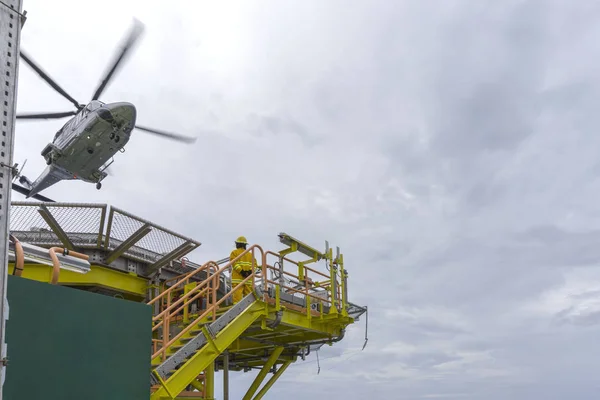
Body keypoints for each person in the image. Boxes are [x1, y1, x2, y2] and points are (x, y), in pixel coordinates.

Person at [230, 236, 259, 303]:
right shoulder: (250, 254)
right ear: (245, 245)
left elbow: (234, 263)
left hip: (238, 279)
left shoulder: (234, 252)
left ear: (239, 244)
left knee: (237, 298)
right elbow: (255, 265)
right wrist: (249, 272)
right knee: (249, 298)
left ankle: (237, 311)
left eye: (237, 244)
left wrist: (242, 271)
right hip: (248, 279)